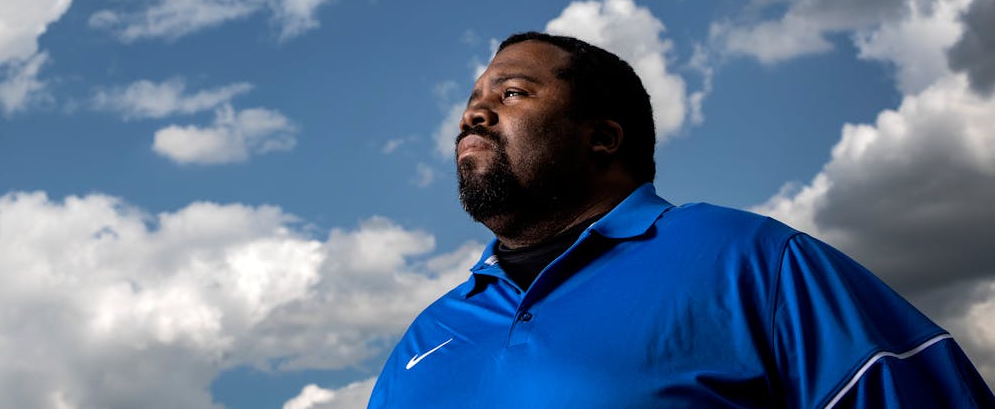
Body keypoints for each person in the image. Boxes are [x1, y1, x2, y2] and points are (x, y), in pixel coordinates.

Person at [367, 31, 995, 407]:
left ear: (604, 137)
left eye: (511, 94)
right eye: (473, 102)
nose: (473, 116)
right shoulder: (426, 340)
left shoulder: (755, 262)